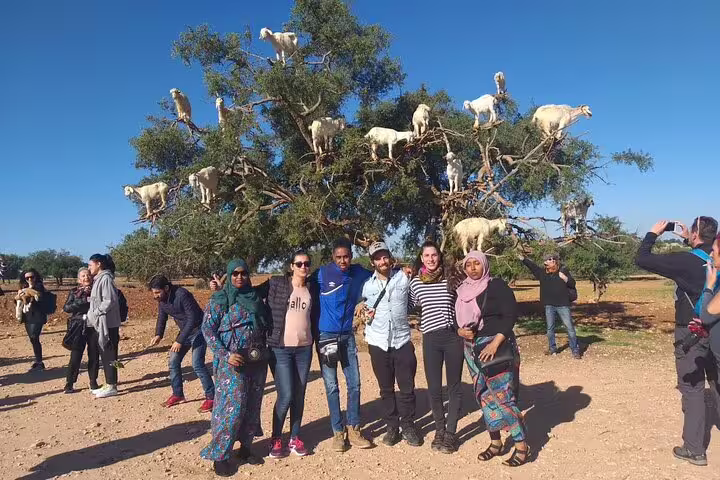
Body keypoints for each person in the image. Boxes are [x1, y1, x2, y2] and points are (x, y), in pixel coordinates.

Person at [635, 217, 719, 466]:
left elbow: (642, 259)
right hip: (715, 330)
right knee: (716, 383)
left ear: (695, 234)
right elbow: (704, 251)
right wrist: (690, 239)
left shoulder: (685, 261)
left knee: (692, 389)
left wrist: (653, 233)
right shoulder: (714, 257)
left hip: (690, 331)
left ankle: (694, 449)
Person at [454, 251, 529, 467]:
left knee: (503, 396)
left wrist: (494, 344)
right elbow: (454, 319)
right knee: (483, 396)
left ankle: (521, 446)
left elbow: (510, 315)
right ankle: (495, 442)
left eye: (477, 263)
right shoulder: (461, 290)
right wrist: (459, 332)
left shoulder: (496, 285)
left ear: (484, 265)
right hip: (471, 349)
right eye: (469, 265)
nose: (473, 268)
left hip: (496, 347)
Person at [201, 258, 269, 477]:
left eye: (243, 273)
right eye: (235, 274)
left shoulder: (255, 297)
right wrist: (226, 355)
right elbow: (208, 331)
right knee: (231, 408)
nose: (239, 277)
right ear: (229, 276)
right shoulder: (220, 300)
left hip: (256, 359)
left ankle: (246, 448)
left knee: (252, 404)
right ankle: (220, 454)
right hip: (232, 363)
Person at [312, 237, 373, 452]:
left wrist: (365, 302)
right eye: (338, 257)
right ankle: (338, 432)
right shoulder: (321, 274)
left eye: (346, 256)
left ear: (351, 256)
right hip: (326, 336)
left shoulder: (360, 272)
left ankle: (354, 428)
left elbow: (380, 280)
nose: (342, 261)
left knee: (354, 383)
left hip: (347, 337)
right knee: (331, 386)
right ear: (332, 257)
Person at [359, 241, 422, 447]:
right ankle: (392, 427)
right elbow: (365, 310)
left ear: (390, 258)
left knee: (407, 387)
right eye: (378, 258)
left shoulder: (404, 278)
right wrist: (365, 312)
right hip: (378, 342)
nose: (382, 261)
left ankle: (409, 425)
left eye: (385, 256)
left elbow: (416, 298)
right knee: (386, 389)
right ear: (372, 262)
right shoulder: (367, 286)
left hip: (402, 340)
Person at [408, 241, 463, 454]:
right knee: (434, 387)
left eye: (434, 255)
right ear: (421, 258)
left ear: (439, 257)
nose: (431, 259)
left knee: (454, 386)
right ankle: (439, 429)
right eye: (427, 256)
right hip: (430, 338)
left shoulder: (451, 279)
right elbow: (408, 305)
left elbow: (464, 301)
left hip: (452, 337)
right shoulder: (415, 283)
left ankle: (451, 433)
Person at [265, 251, 318, 458]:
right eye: (299, 264)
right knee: (286, 395)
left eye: (306, 264)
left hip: (304, 349)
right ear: (291, 266)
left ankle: (295, 437)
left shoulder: (312, 287)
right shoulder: (276, 284)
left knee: (299, 394)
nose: (303, 267)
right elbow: (248, 291)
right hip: (281, 349)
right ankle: (276, 438)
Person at [148, 275, 215, 412]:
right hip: (185, 331)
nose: (155, 296)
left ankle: (212, 397)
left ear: (166, 288)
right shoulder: (162, 300)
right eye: (153, 293)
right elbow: (162, 317)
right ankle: (178, 394)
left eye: (157, 292)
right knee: (173, 361)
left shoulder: (182, 294)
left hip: (199, 330)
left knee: (197, 364)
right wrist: (158, 335)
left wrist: (179, 340)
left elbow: (192, 318)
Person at [517, 252, 581, 358]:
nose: (552, 260)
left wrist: (565, 278)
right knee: (550, 329)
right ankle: (552, 349)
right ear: (545, 262)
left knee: (569, 328)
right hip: (549, 305)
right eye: (549, 259)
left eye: (553, 259)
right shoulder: (542, 273)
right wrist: (523, 259)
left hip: (563, 305)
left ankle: (575, 350)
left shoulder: (563, 271)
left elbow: (572, 284)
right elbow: (532, 266)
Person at [86, 253, 122, 398]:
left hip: (109, 324)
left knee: (111, 355)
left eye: (90, 265)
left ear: (99, 264)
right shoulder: (99, 279)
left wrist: (97, 312)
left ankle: (112, 385)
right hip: (101, 324)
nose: (89, 268)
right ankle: (109, 383)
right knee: (106, 355)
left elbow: (110, 300)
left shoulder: (105, 278)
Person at [63, 267, 99, 393]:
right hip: (78, 326)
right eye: (83, 276)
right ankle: (70, 383)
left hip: (94, 325)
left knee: (94, 354)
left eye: (88, 275)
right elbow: (66, 308)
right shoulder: (74, 292)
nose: (86, 277)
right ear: (79, 279)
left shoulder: (97, 290)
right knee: (75, 355)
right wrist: (80, 303)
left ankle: (93, 381)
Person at [17, 269, 48, 371]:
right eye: (27, 278)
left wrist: (29, 293)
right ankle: (38, 361)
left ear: (36, 277)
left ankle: (39, 362)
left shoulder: (39, 287)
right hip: (27, 316)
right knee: (33, 339)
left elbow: (40, 299)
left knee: (34, 336)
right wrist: (20, 297)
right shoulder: (22, 288)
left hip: (38, 316)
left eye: (32, 277)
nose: (30, 279)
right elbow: (17, 300)